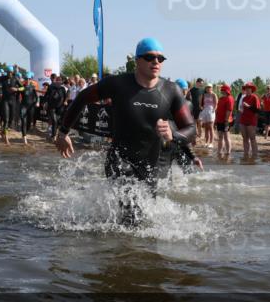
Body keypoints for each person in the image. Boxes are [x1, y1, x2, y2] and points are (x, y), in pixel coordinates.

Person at [55, 38, 196, 225]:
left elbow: (191, 129)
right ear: (137, 61)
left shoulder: (171, 90)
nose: (156, 62)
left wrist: (174, 136)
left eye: (160, 59)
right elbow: (82, 97)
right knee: (131, 213)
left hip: (150, 164)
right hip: (119, 159)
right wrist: (63, 133)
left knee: (143, 218)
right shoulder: (118, 84)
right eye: (149, 57)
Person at [238, 82, 259, 158]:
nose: (247, 89)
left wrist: (248, 106)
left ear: (251, 89)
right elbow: (242, 108)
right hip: (243, 119)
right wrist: (241, 110)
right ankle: (246, 154)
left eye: (248, 88)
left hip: (251, 120)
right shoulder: (243, 98)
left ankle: (254, 156)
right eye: (246, 88)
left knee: (252, 138)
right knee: (245, 138)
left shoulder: (254, 97)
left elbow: (257, 110)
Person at [214, 84, 234, 157]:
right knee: (220, 137)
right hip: (219, 120)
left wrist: (226, 120)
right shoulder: (221, 98)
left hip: (226, 121)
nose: (222, 91)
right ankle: (219, 151)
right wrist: (216, 120)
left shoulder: (229, 98)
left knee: (226, 136)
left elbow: (229, 110)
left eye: (223, 90)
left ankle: (228, 152)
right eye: (222, 90)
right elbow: (218, 110)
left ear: (227, 91)